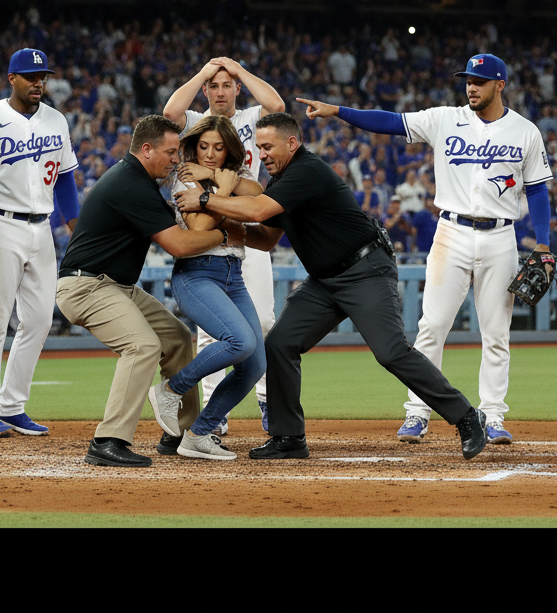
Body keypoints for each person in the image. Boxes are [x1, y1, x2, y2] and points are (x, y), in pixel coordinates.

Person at [176, 112, 488, 462]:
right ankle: (288, 436)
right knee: (279, 344)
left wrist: (206, 199)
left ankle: (467, 417)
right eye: (259, 148)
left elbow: (259, 210)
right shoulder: (281, 182)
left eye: (267, 147)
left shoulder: (306, 171)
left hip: (364, 270)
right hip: (324, 282)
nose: (261, 154)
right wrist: (230, 227)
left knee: (391, 351)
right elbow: (265, 239)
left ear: (291, 143)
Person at [297, 52, 554, 446]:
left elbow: (537, 190)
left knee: (497, 332)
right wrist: (339, 111)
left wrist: (544, 241)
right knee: (432, 326)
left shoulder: (525, 132)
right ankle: (417, 412)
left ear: (499, 85)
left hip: (502, 237)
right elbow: (390, 122)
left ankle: (493, 415)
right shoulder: (444, 118)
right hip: (451, 232)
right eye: (468, 79)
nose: (471, 86)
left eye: (479, 81)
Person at [55, 115, 248, 468]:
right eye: (170, 152)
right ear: (146, 150)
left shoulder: (137, 181)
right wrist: (223, 235)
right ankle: (108, 440)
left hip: (114, 285)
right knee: (142, 345)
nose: (176, 159)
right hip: (86, 286)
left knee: (176, 337)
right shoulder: (131, 185)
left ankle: (184, 433)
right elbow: (180, 245)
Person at [162, 55, 284, 438]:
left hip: (244, 228)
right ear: (205, 90)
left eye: (225, 85)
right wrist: (205, 70)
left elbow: (277, 107)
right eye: (213, 86)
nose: (219, 91)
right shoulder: (198, 122)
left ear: (236, 89)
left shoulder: (251, 118)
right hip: (209, 244)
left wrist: (238, 70)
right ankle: (216, 413)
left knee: (262, 323)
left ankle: (264, 397)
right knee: (215, 333)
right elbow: (170, 111)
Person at [0, 48, 80, 436]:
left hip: (42, 227)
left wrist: (75, 225)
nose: (38, 83)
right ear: (11, 78)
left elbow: (64, 177)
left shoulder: (56, 120)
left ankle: (11, 404)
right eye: (31, 77)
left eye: (42, 76)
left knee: (39, 319)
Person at [151, 115, 266, 460]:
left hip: (234, 274)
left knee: (256, 363)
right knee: (240, 341)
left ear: (230, 149)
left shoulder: (232, 175)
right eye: (203, 147)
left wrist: (215, 180)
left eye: (218, 148)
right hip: (197, 274)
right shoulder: (185, 176)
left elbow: (259, 197)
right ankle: (172, 390)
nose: (210, 154)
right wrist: (225, 192)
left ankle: (200, 433)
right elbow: (199, 228)